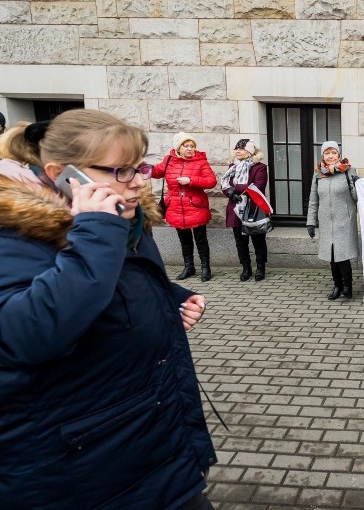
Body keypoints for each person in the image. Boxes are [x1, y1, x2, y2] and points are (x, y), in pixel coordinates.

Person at [0, 110, 216, 509]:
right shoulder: (16, 234)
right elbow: (31, 332)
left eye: (138, 168)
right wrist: (97, 231)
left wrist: (170, 298)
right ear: (62, 173)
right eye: (120, 171)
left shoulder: (121, 221)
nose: (136, 181)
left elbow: (115, 285)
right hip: (82, 474)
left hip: (154, 449)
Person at [152, 132, 217, 282]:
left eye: (192, 146)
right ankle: (189, 267)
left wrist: (191, 180)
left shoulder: (201, 161)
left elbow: (211, 181)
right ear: (178, 148)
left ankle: (206, 268)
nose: (189, 149)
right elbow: (156, 171)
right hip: (176, 207)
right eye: (186, 145)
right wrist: (141, 167)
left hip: (195, 206)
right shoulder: (169, 160)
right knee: (184, 240)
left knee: (200, 239)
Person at [307, 141, 360, 300]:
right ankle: (337, 285)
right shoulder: (318, 174)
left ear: (339, 155)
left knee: (343, 256)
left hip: (344, 220)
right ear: (323, 156)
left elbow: (357, 197)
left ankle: (347, 287)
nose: (330, 156)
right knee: (331, 256)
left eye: (333, 153)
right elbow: (313, 200)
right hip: (326, 221)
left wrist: (356, 183)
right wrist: (311, 221)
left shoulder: (348, 171)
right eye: (327, 153)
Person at [221, 138, 269, 282]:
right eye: (236, 148)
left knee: (258, 241)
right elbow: (225, 184)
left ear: (250, 151)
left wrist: (235, 188)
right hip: (236, 209)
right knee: (240, 243)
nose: (237, 151)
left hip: (253, 208)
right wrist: (230, 193)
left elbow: (257, 187)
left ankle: (261, 268)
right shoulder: (233, 166)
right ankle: (246, 268)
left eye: (241, 148)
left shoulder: (259, 167)